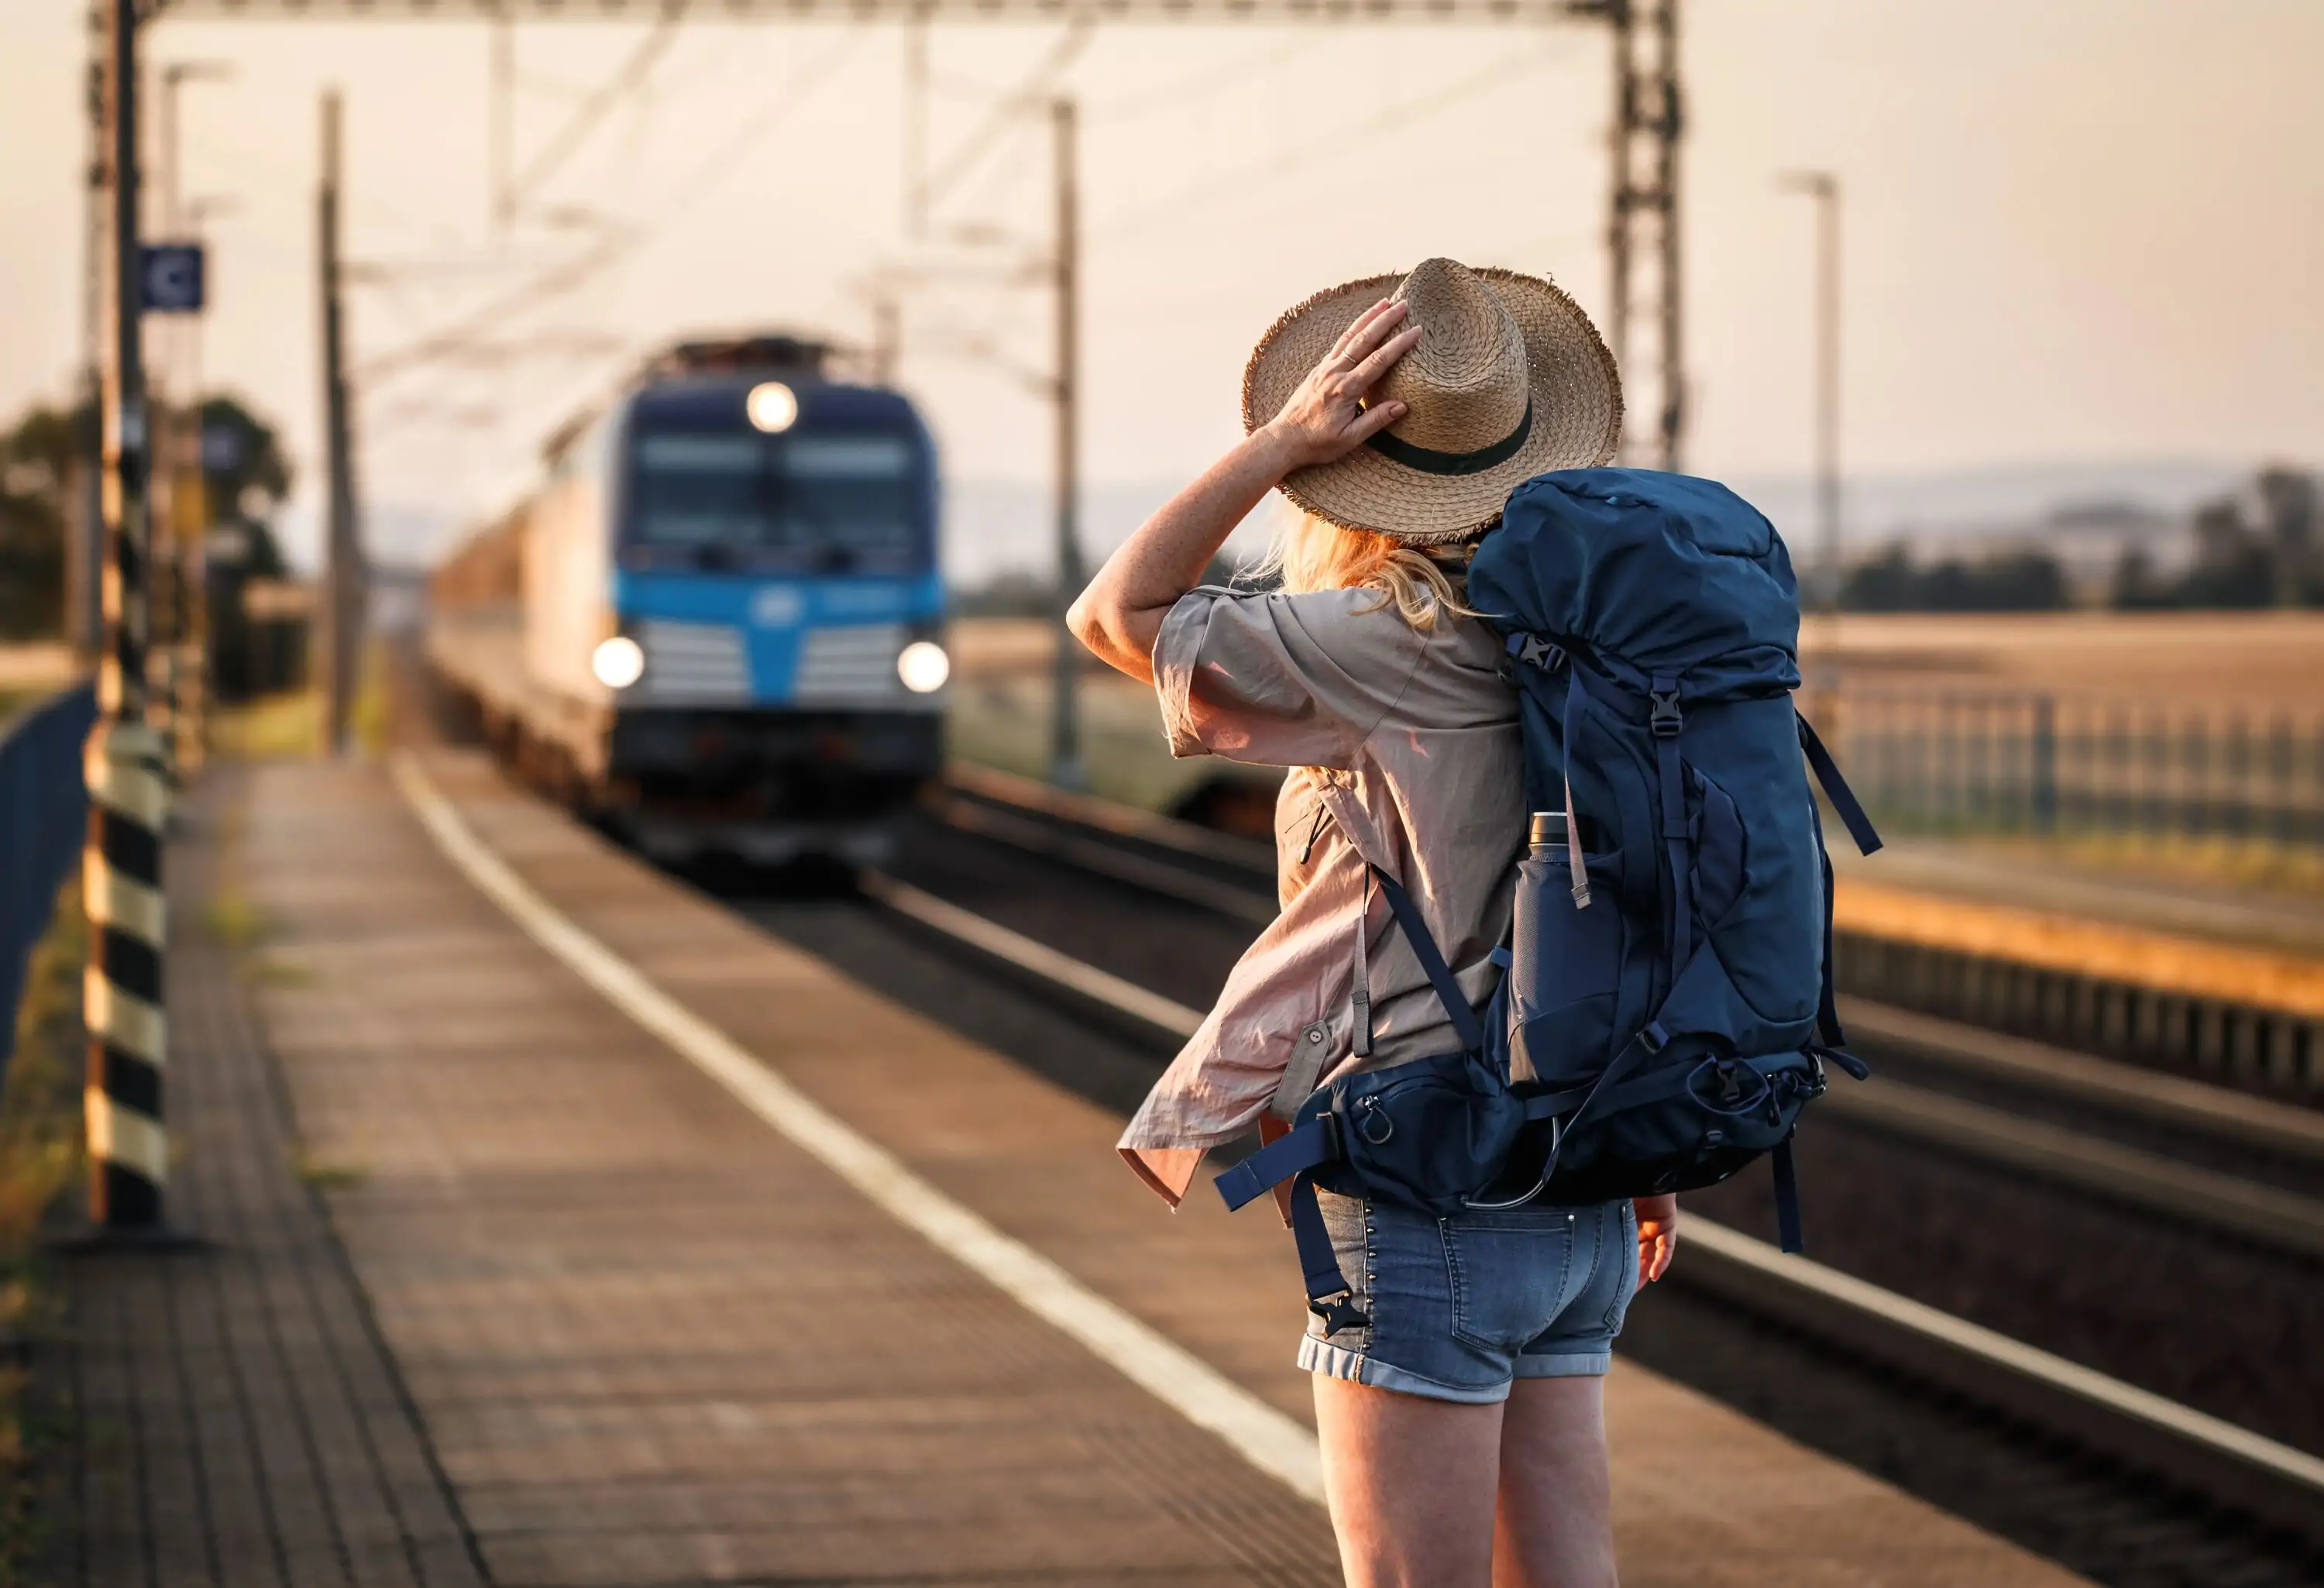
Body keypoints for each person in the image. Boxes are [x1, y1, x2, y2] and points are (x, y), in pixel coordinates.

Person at [1067, 258, 1679, 1588]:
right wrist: (1648, 1148)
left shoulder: (1394, 637)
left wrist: (1274, 446)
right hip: (1590, 1187)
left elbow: (1116, 615)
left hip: (1431, 1185)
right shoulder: (1611, 643)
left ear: (1363, 465)